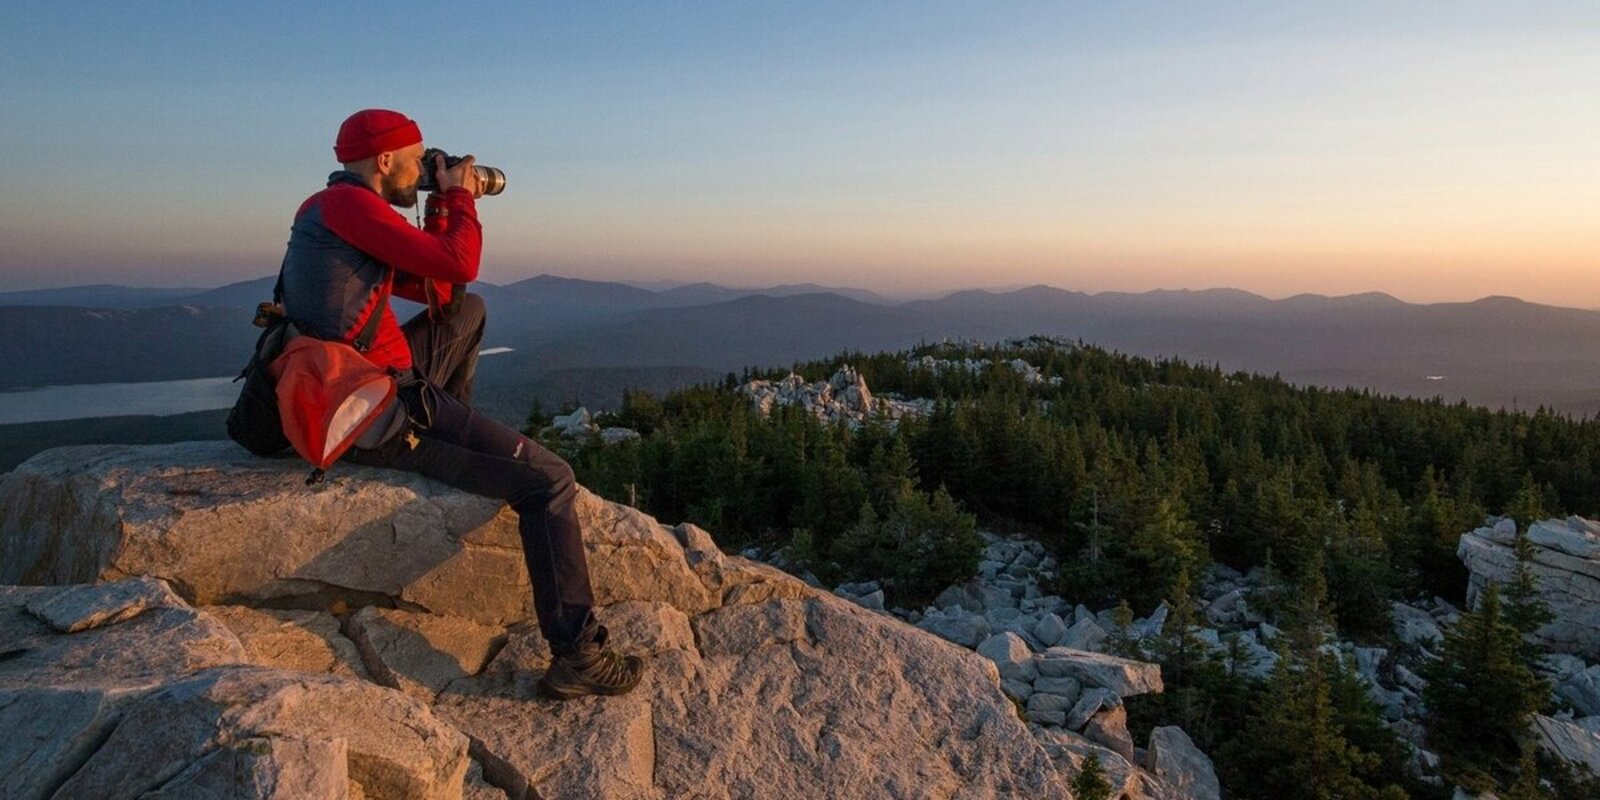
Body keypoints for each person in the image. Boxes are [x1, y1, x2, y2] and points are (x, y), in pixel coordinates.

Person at [278, 108, 644, 699]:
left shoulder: (331, 210)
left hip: (361, 379)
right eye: (419, 160)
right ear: (385, 161)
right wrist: (461, 198)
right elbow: (460, 262)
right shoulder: (352, 208)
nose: (424, 171)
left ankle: (455, 428)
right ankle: (578, 653)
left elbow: (446, 291)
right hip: (375, 407)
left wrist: (444, 207)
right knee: (549, 481)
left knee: (469, 315)